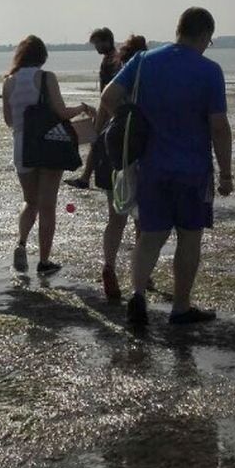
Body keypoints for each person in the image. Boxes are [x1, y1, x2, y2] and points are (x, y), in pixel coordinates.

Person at [97, 7, 233, 326]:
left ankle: (139, 297)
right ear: (205, 35)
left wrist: (136, 116)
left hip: (151, 165)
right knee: (189, 237)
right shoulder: (209, 71)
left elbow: (108, 97)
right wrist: (226, 173)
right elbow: (219, 126)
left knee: (151, 237)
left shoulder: (144, 61)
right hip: (193, 169)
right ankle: (181, 307)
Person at [3, 35, 94, 275]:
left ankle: (21, 243)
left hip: (22, 146)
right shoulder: (46, 77)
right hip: (49, 145)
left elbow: (9, 121)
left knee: (29, 201)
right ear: (42, 56)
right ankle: (44, 260)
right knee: (47, 206)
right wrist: (83, 108)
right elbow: (62, 112)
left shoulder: (9, 82)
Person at [99, 34, 148, 301]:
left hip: (112, 148)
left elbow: (104, 107)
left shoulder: (115, 80)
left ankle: (109, 266)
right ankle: (142, 273)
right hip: (137, 149)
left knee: (115, 217)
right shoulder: (145, 81)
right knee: (142, 217)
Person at [67, 27, 119, 190]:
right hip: (107, 107)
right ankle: (87, 177)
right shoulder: (112, 59)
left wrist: (104, 113)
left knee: (96, 142)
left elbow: (108, 90)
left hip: (108, 108)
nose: (96, 47)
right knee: (97, 143)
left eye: (97, 43)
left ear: (107, 41)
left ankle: (86, 178)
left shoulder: (112, 61)